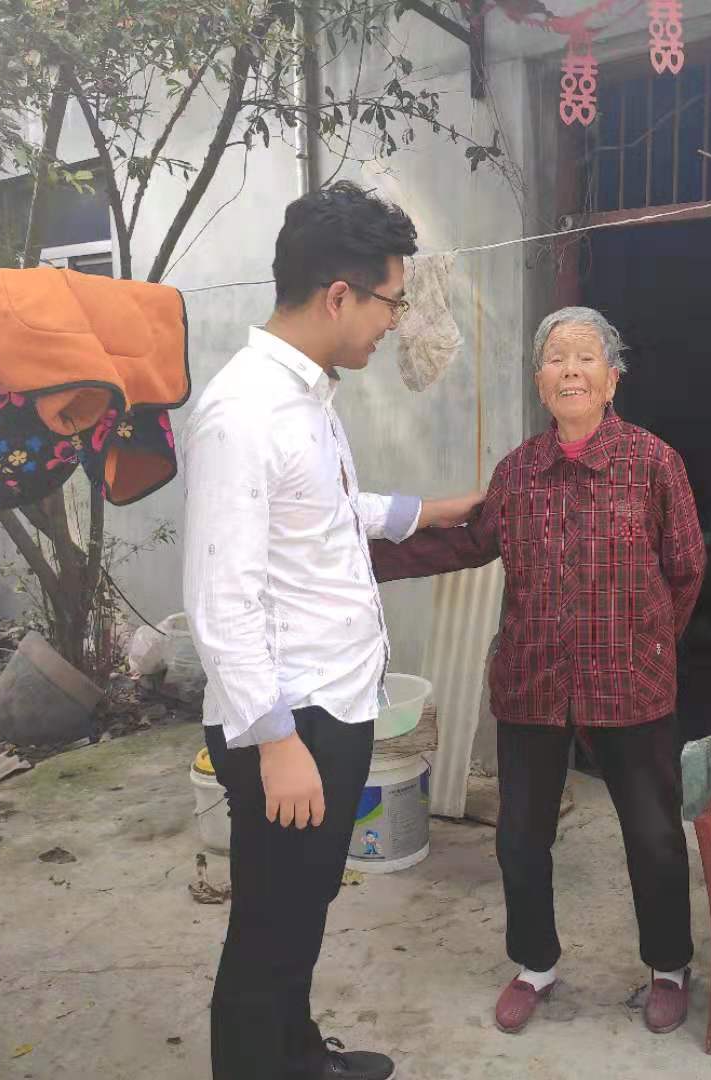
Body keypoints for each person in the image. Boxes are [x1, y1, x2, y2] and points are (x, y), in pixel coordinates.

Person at [181, 182, 483, 1080]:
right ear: (340, 295)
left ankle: (299, 1055)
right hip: (290, 720)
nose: (395, 322)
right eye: (392, 301)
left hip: (335, 706)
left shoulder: (305, 395)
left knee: (304, 905)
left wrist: (434, 510)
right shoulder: (243, 413)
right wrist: (276, 744)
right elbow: (221, 599)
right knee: (268, 926)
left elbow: (327, 512)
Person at [371, 306, 707, 1037]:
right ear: (539, 380)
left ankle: (669, 965)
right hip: (533, 684)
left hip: (632, 685)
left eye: (587, 358)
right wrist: (356, 556)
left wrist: (647, 643)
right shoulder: (519, 472)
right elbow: (467, 544)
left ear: (612, 380)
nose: (571, 371)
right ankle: (535, 965)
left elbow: (686, 568)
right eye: (557, 358)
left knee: (653, 835)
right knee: (520, 837)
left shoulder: (653, 463)